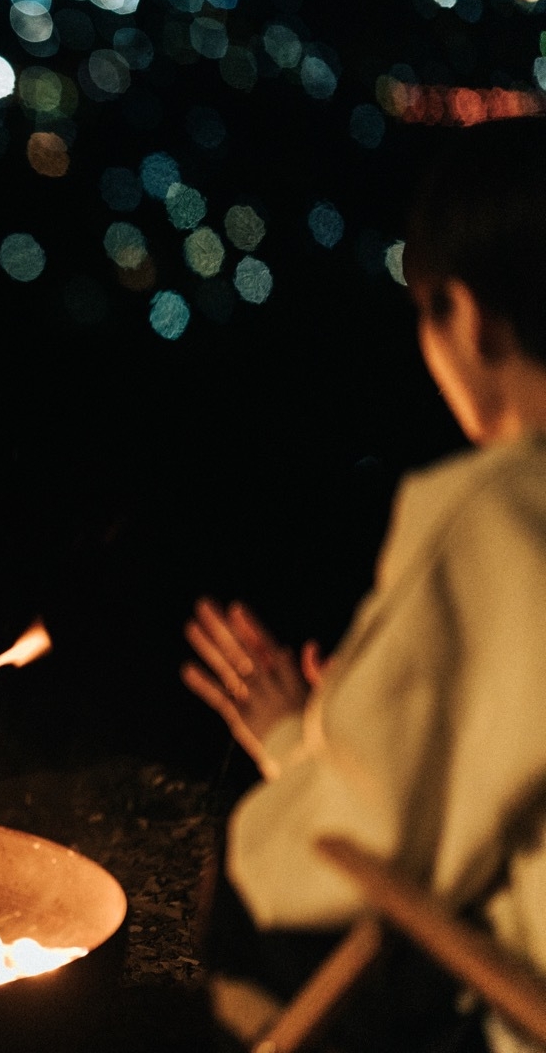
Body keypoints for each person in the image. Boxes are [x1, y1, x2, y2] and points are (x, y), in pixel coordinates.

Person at [180, 114, 546, 1053]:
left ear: (466, 315)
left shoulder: (496, 512)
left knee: (244, 890)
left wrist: (294, 747)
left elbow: (360, 845)